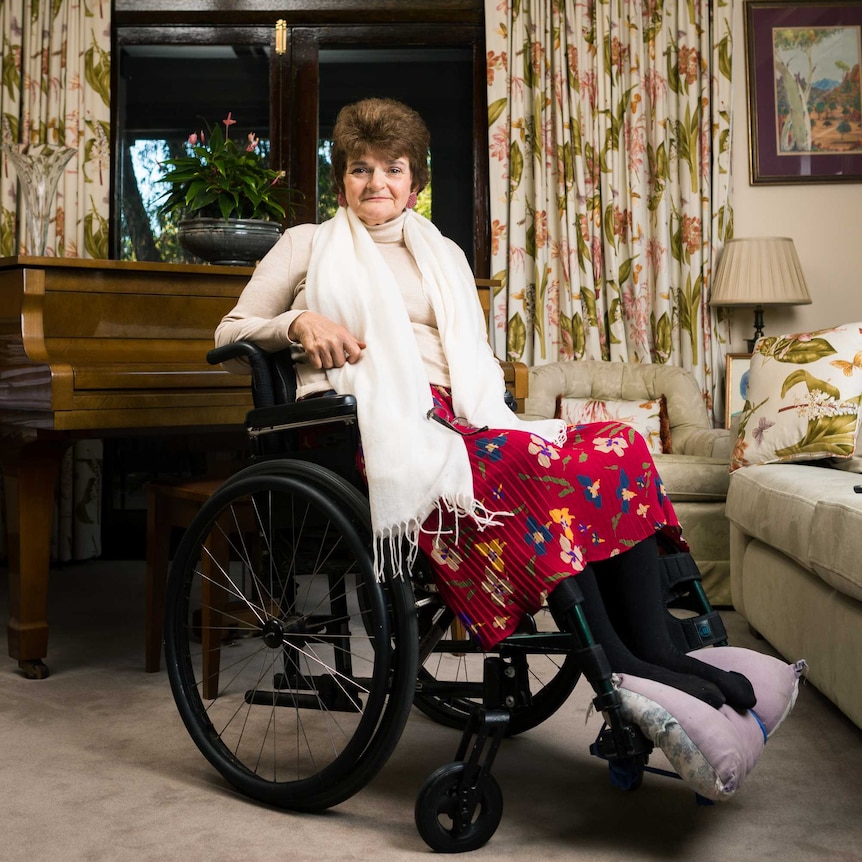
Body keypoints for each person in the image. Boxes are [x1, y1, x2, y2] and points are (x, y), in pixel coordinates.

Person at [216, 97, 755, 712]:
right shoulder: (307, 245)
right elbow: (227, 335)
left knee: (617, 446)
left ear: (414, 180)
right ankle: (615, 660)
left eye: (393, 168)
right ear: (341, 178)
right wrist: (298, 322)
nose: (377, 183)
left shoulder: (440, 253)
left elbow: (468, 354)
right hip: (366, 424)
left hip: (465, 417)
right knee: (533, 468)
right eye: (361, 168)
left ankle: (656, 647)